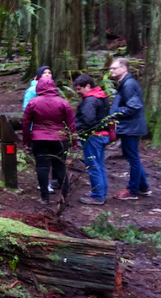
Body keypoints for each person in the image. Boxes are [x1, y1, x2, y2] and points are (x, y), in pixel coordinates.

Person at [22, 75, 77, 205]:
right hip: (59, 139)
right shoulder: (63, 102)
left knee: (42, 166)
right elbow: (71, 124)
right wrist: (74, 141)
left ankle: (45, 197)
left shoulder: (33, 102)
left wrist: (26, 140)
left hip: (39, 138)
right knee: (60, 167)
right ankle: (65, 197)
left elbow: (25, 123)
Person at [109, 58, 150, 200]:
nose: (111, 70)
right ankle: (143, 187)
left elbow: (134, 106)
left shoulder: (128, 85)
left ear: (124, 68)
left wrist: (116, 113)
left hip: (130, 127)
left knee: (133, 158)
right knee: (132, 156)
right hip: (129, 126)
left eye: (114, 68)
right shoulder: (126, 83)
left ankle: (132, 191)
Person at [73, 74, 110, 205]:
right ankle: (102, 192)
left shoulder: (90, 100)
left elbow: (88, 120)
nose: (78, 92)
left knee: (93, 166)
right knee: (100, 165)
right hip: (102, 135)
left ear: (88, 86)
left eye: (79, 89)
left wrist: (76, 128)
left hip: (92, 137)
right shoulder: (101, 96)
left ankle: (97, 195)